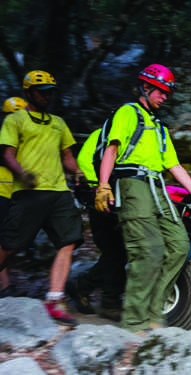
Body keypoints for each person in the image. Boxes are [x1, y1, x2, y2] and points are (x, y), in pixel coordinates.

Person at [94, 63, 191, 335]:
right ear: (145, 87)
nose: (165, 97)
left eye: (167, 93)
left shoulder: (159, 125)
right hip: (132, 184)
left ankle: (154, 309)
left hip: (158, 188)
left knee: (179, 245)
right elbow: (112, 149)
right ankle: (134, 321)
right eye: (161, 91)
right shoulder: (128, 112)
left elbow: (174, 165)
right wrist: (103, 186)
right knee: (147, 250)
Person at [0, 71, 84, 326]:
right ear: (28, 93)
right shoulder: (15, 120)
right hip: (29, 192)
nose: (47, 94)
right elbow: (7, 154)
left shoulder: (58, 122)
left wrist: (78, 171)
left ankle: (55, 299)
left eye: (50, 90)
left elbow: (67, 156)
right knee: (11, 244)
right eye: (41, 90)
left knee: (69, 240)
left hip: (58, 191)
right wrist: (21, 174)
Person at [66, 128, 127, 321]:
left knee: (119, 252)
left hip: (119, 198)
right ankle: (109, 302)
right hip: (100, 198)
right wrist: (99, 187)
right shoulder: (104, 134)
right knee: (114, 251)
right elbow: (84, 160)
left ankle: (83, 286)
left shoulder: (133, 134)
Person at [0, 97, 28, 298]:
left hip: (18, 194)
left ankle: (6, 284)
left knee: (11, 242)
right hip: (2, 192)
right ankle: (5, 285)